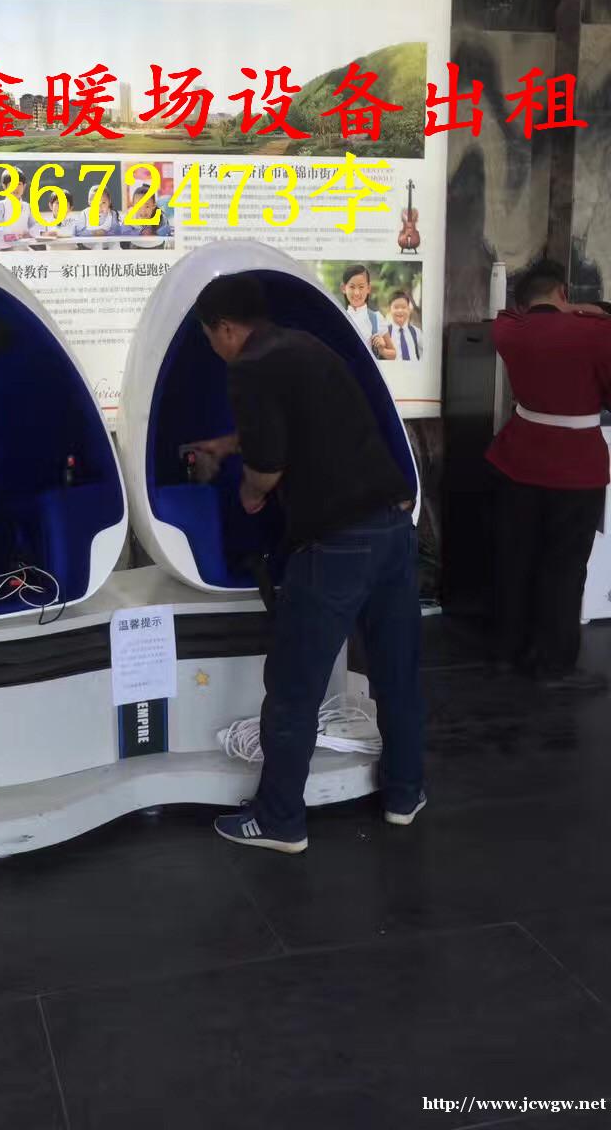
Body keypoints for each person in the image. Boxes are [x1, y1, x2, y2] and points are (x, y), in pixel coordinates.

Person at [190, 274, 424, 854]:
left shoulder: (248, 367)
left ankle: (279, 821)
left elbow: (268, 465)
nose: (213, 349)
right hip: (394, 527)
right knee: (396, 673)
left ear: (225, 328)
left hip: (337, 543)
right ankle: (404, 794)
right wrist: (227, 444)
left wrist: (249, 493)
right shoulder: (304, 345)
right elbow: (301, 426)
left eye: (209, 338)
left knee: (294, 688)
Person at [487, 259, 611, 690]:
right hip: (575, 464)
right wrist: (595, 312)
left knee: (515, 559)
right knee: (564, 566)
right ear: (563, 293)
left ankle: (507, 652)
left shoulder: (508, 330)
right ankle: (553, 665)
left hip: (518, 456)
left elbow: (508, 315)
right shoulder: (595, 333)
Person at [341, 264, 395, 360]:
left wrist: (382, 350)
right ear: (344, 288)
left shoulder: (376, 318)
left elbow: (393, 354)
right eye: (352, 287)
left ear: (368, 288)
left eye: (361, 287)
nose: (357, 293)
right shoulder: (339, 317)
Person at [0, 167, 41, 250]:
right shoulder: (0, 206)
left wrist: (30, 233)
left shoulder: (27, 206)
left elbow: (35, 225)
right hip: (5, 250)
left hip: (24, 247)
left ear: (24, 186)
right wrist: (10, 236)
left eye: (19, 184)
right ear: (4, 186)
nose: (16, 188)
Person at [387, 291, 422, 362]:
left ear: (408, 309)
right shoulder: (385, 333)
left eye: (403, 307)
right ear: (390, 309)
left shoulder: (416, 332)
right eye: (396, 307)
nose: (400, 311)